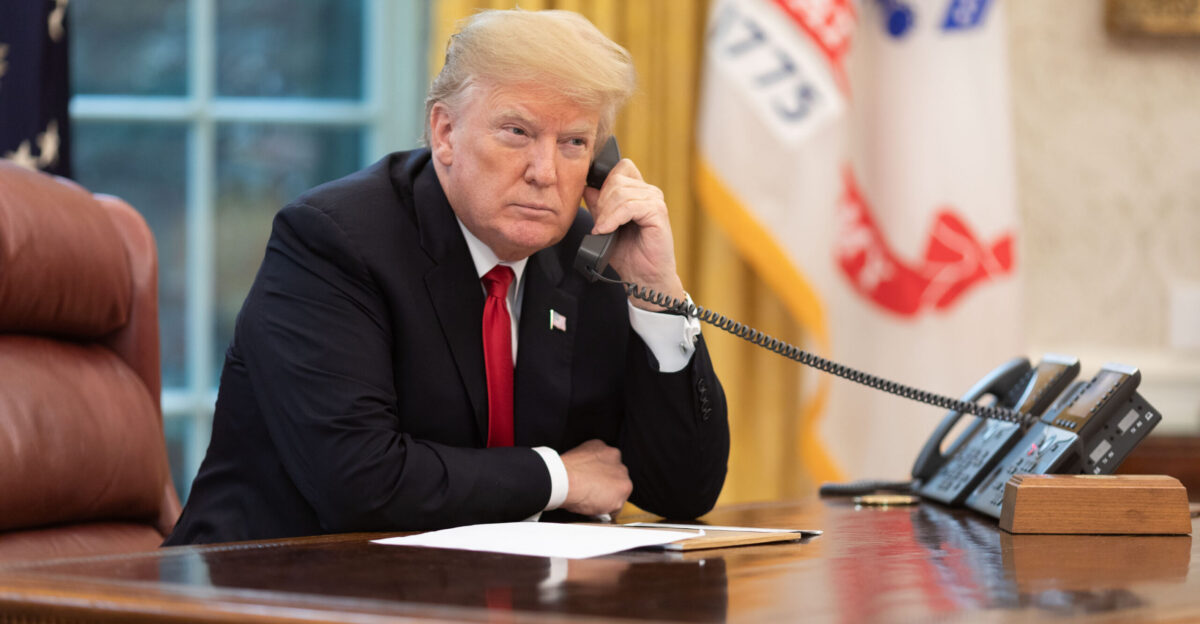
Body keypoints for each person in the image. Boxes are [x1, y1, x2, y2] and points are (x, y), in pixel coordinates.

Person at [165, 8, 728, 545]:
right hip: (263, 590)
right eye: (517, 132)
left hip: (476, 594)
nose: (544, 173)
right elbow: (360, 484)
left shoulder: (592, 256)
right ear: (445, 132)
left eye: (574, 143)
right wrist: (558, 476)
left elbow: (681, 492)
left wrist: (658, 296)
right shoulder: (333, 242)